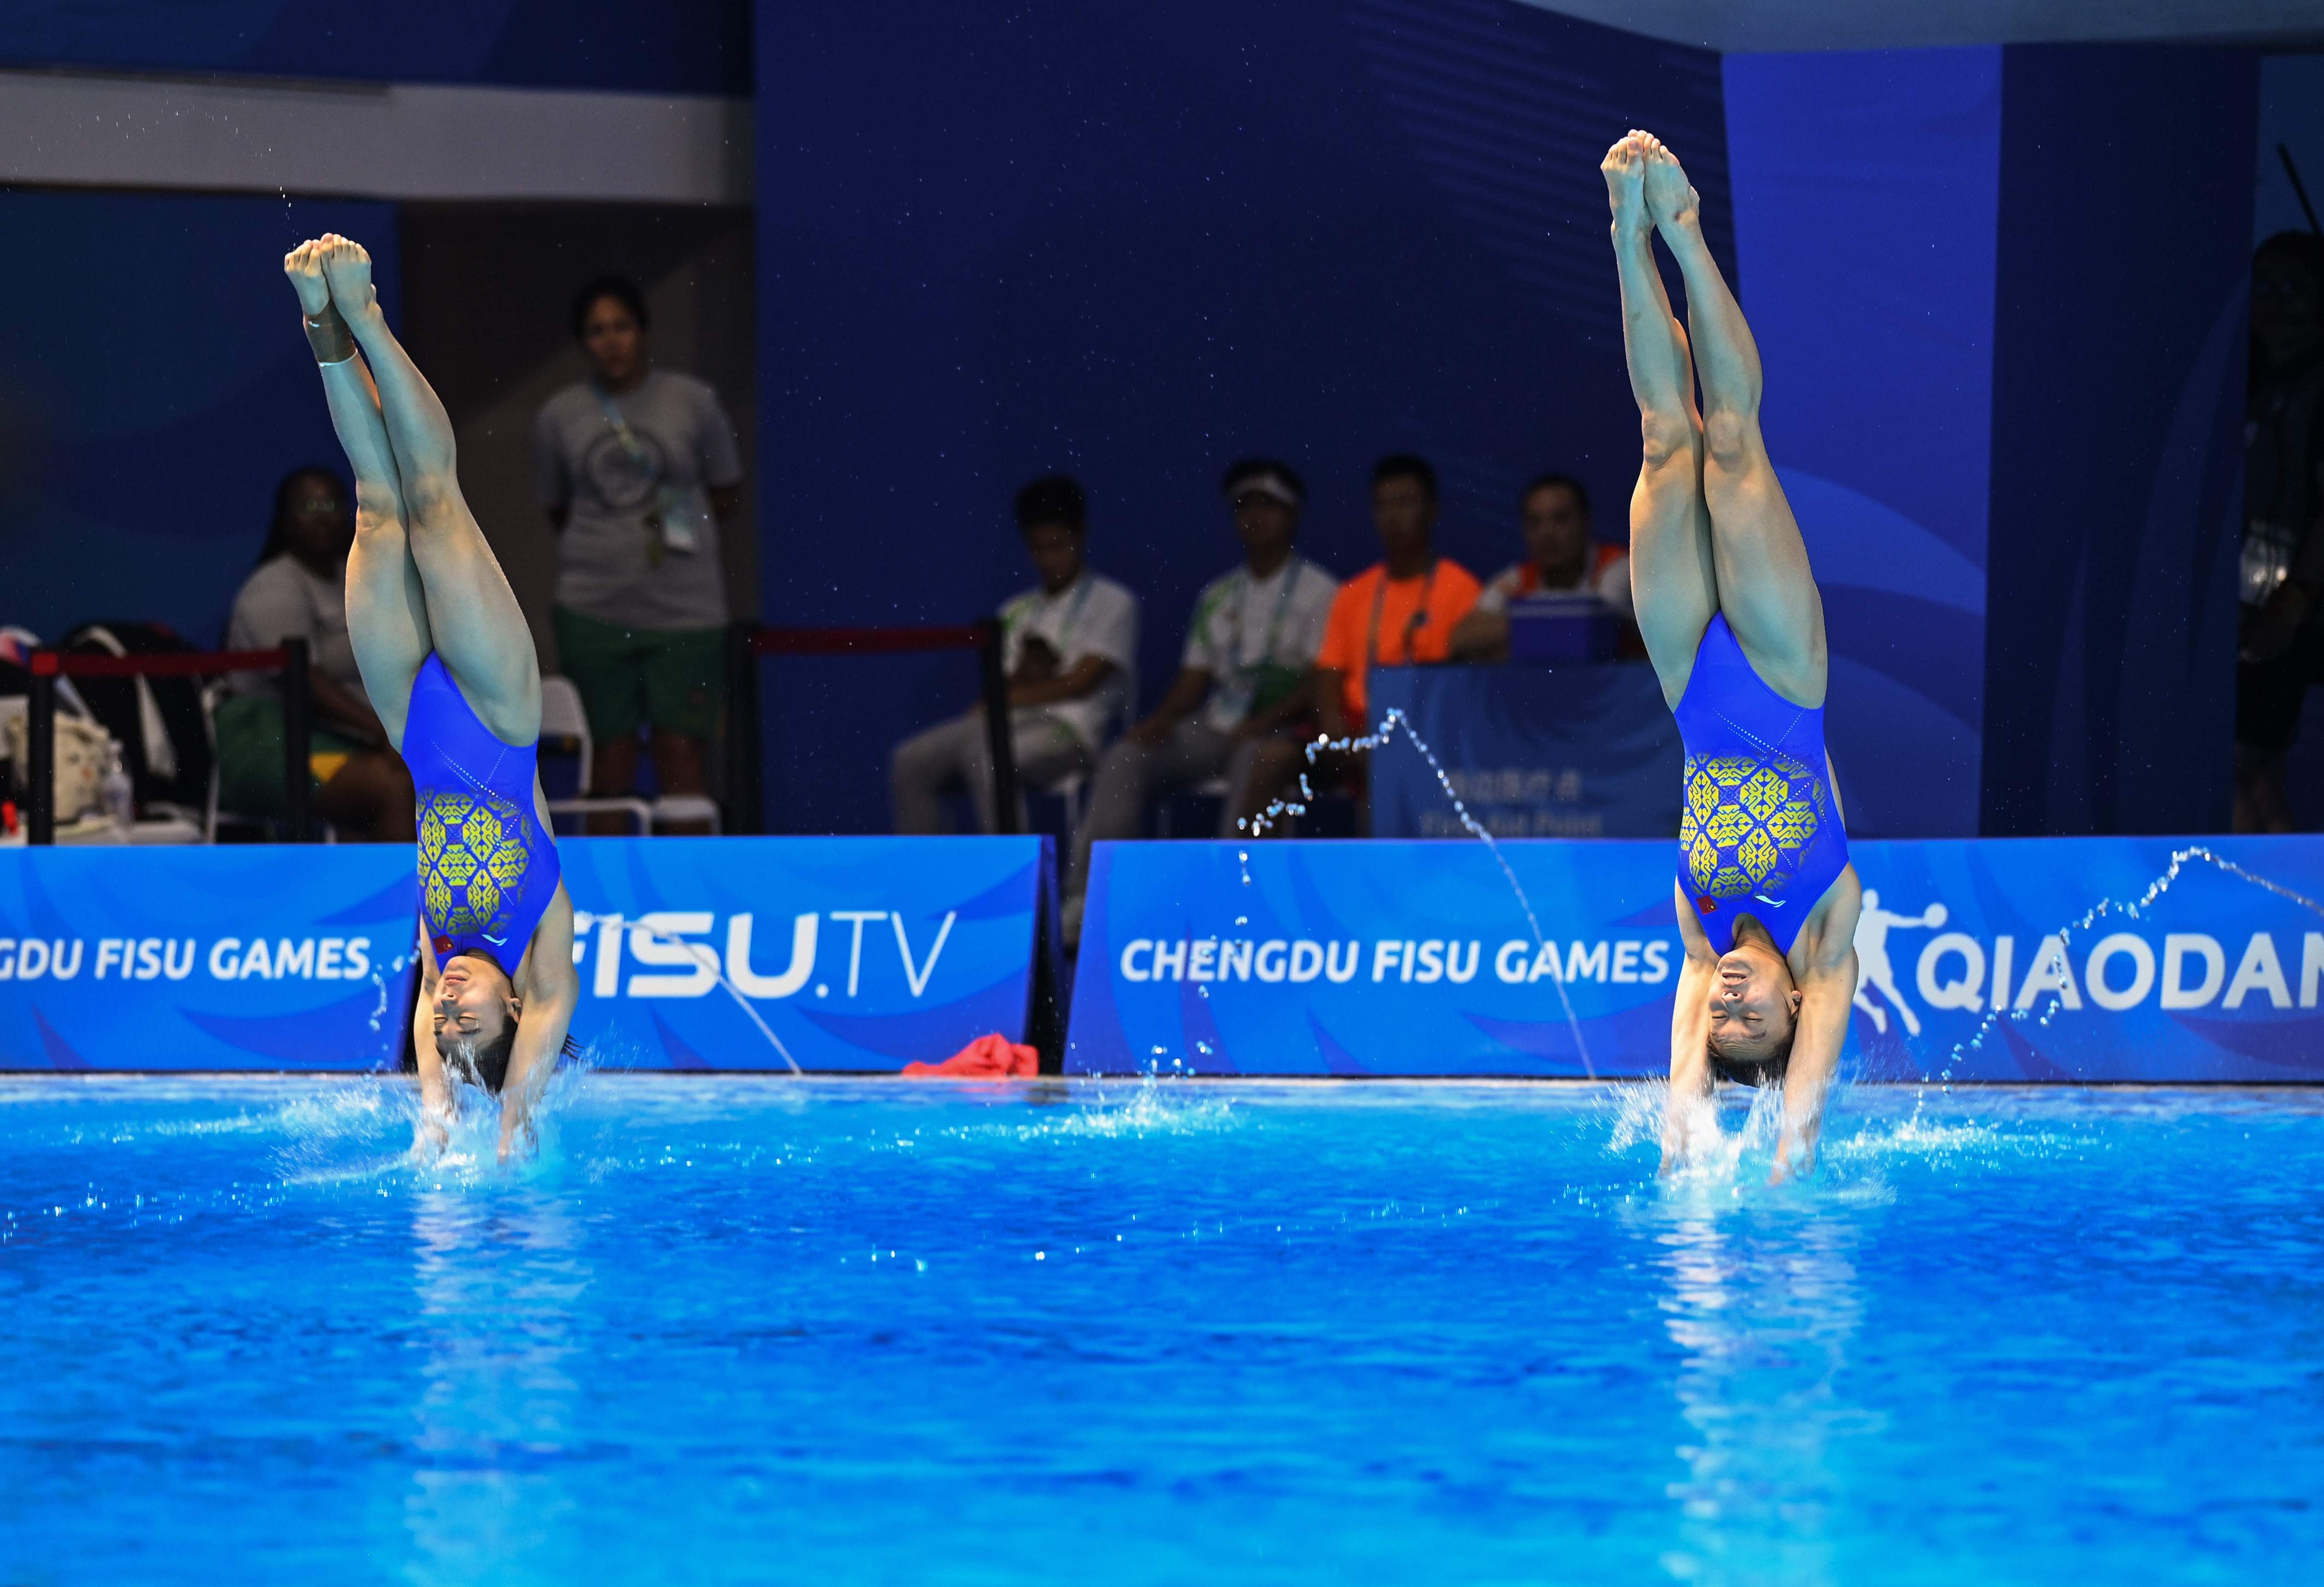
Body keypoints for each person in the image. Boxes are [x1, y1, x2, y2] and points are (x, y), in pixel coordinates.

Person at [1603, 130, 1861, 1183]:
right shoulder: (1829, 930)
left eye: (1723, 1024)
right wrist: (1784, 1156)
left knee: (1666, 437)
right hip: (1783, 673)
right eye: (1754, 1024)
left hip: (1687, 686)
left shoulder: (1696, 930)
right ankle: (1688, 232)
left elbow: (1681, 1098)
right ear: (1792, 1008)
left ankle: (1626, 239)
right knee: (1731, 442)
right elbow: (1797, 1123)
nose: (1730, 1008)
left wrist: (1687, 1135)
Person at [286, 233, 577, 1163]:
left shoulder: (437, 942)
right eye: (472, 1021)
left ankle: (324, 328)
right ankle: (369, 310)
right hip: (499, 711)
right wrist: (504, 1123)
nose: (449, 1006)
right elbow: (530, 1067)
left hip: (412, 718)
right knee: (434, 500)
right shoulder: (544, 938)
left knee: (377, 505)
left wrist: (435, 1105)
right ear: (518, 1008)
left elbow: (421, 1020)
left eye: (445, 1020)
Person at [1060, 459, 1339, 944]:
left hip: (1280, 729)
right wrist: (1162, 719)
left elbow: (1319, 681)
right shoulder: (1217, 594)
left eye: (1267, 506)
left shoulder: (1321, 591)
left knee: (1257, 760)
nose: (1254, 517)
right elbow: (1194, 678)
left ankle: (1230, 904)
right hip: (1216, 726)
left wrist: (1265, 720)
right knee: (1127, 756)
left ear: (1292, 515)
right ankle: (1090, 899)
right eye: (1243, 508)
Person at [535, 275, 744, 833]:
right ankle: (608, 907)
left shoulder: (693, 401)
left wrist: (672, 526)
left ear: (643, 331)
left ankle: (687, 899)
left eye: (621, 327)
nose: (611, 341)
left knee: (683, 755)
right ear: (584, 343)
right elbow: (556, 507)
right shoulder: (560, 415)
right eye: (596, 331)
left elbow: (726, 487)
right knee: (609, 758)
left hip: (686, 609)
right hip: (594, 608)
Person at [1240, 453, 1480, 833]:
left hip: (1414, 733)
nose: (1392, 516)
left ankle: (1379, 883)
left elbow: (1457, 685)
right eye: (1383, 505)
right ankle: (1245, 879)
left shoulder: (1462, 589)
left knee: (1383, 764)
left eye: (1405, 502)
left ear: (1433, 510)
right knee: (1272, 758)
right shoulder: (1354, 592)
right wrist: (1334, 724)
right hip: (1348, 728)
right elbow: (1328, 673)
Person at [891, 475, 1138, 834]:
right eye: (1038, 548)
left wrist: (1007, 695)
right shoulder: (1015, 610)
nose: (1048, 559)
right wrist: (1022, 675)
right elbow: (999, 687)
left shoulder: (1114, 603)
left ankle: (1019, 882)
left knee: (990, 757)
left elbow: (1080, 683)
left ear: (1082, 534)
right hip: (1004, 724)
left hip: (1072, 732)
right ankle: (930, 881)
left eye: (1058, 545)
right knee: (910, 761)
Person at [216, 467, 416, 841]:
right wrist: (387, 733)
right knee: (394, 785)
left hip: (345, 736)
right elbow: (306, 682)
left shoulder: (359, 578)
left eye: (332, 504)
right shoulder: (273, 587)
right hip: (272, 740)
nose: (323, 514)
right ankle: (396, 900)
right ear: (286, 522)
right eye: (310, 505)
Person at [2234, 232, 2324, 833]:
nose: (2276, 302)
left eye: (2295, 288)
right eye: (2264, 286)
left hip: (2288, 614)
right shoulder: (2252, 380)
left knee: (2243, 773)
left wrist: (2288, 610)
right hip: (2242, 612)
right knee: (2253, 780)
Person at [1449, 472, 1634, 661]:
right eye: (1534, 522)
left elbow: (1590, 627)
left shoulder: (1620, 569)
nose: (1547, 534)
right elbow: (1463, 638)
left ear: (1587, 521)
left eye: (1561, 519)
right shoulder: (1517, 579)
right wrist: (1542, 628)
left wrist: (1516, 636)